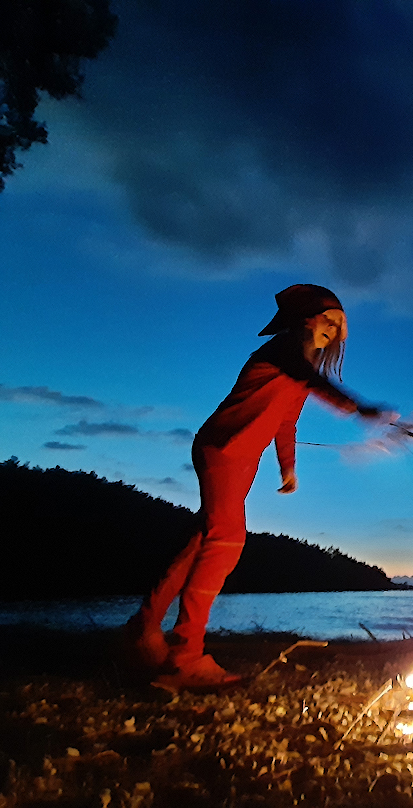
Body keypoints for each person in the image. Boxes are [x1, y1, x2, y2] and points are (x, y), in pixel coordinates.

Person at [126, 284, 391, 689]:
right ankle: (185, 656)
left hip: (240, 457)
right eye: (329, 319)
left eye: (341, 325)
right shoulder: (286, 350)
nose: (336, 329)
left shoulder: (301, 369)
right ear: (306, 319)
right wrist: (355, 407)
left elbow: (287, 422)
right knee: (226, 541)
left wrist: (288, 468)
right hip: (225, 447)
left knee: (207, 537)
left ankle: (144, 630)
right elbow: (306, 378)